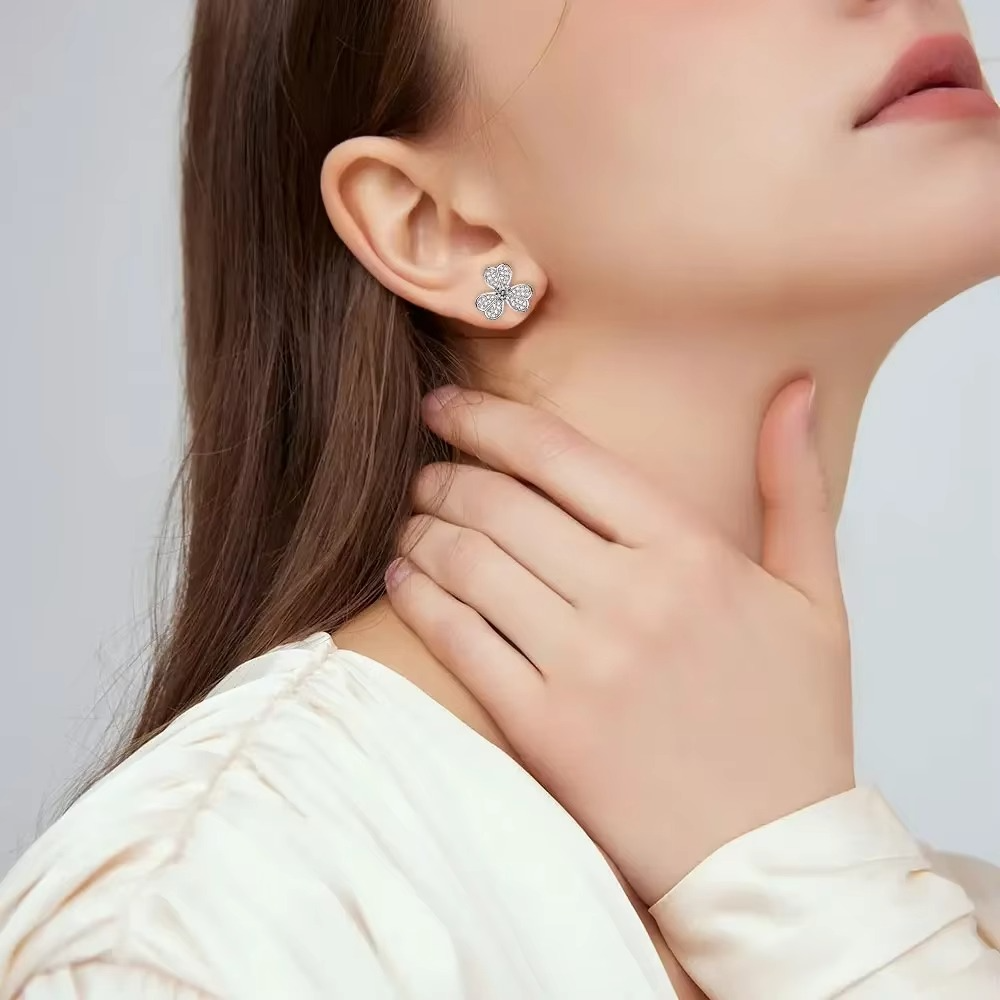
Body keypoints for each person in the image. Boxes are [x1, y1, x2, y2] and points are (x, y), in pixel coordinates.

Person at [1, 0, 998, 996]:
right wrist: (808, 894)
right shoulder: (206, 931)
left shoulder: (932, 921)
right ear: (438, 229)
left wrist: (817, 893)